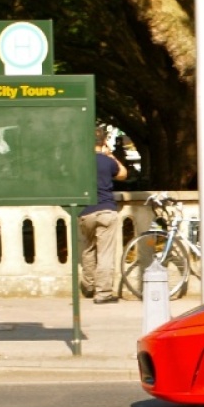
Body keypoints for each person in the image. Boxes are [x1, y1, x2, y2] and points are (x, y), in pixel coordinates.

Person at [79, 128, 127, 303]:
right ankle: (103, 292)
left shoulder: (80, 161)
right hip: (106, 209)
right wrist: (111, 155)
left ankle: (88, 285)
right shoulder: (107, 161)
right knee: (105, 253)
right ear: (103, 142)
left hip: (86, 212)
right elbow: (123, 174)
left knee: (88, 249)